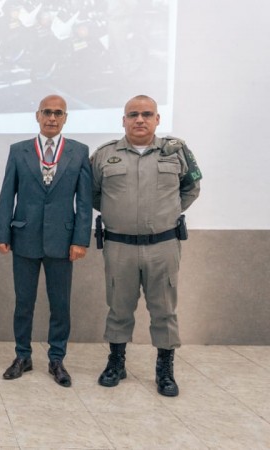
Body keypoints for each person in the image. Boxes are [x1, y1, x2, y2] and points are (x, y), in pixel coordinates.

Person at [91, 94, 201, 397]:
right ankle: (116, 363)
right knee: (119, 308)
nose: (140, 119)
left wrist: (165, 213)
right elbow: (93, 194)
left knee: (164, 310)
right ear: (123, 120)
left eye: (147, 114)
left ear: (157, 119)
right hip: (119, 246)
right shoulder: (104, 155)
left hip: (163, 245)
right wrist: (121, 215)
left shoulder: (176, 152)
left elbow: (192, 188)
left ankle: (164, 370)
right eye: (133, 114)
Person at [0, 95, 92, 387]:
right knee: (24, 302)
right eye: (47, 112)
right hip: (24, 237)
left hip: (63, 242)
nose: (52, 117)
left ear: (65, 118)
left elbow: (84, 202)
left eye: (58, 113)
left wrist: (81, 240)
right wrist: (2, 233)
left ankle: (57, 359)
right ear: (37, 115)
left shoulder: (78, 152)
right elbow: (6, 194)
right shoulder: (19, 150)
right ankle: (22, 356)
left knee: (60, 304)